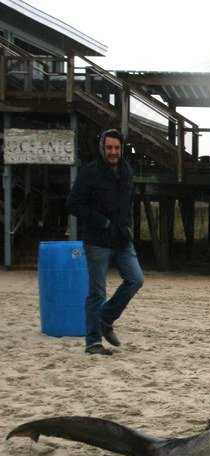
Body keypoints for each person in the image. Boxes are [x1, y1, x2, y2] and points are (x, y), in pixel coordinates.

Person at [67, 129, 143, 356]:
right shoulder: (89, 173)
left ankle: (106, 318)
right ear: (102, 148)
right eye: (109, 148)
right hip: (97, 241)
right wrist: (101, 221)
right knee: (97, 292)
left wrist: (127, 226)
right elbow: (73, 204)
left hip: (122, 238)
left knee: (136, 279)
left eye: (117, 148)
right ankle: (93, 343)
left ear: (122, 149)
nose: (113, 152)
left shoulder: (126, 171)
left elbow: (128, 202)